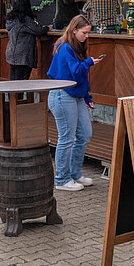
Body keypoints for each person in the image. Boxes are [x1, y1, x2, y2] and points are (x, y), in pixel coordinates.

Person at [46, 15, 101, 192]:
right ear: (75, 30)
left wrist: (87, 97)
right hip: (62, 95)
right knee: (66, 138)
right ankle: (62, 179)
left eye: (88, 33)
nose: (87, 36)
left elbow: (78, 76)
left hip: (74, 95)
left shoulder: (73, 46)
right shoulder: (65, 48)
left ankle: (74, 174)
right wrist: (89, 62)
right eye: (84, 32)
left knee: (84, 134)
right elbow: (75, 72)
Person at [5, 0, 49, 81]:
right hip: (22, 55)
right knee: (21, 83)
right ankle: (18, 95)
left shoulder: (11, 18)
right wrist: (47, 28)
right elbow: (38, 30)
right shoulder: (24, 20)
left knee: (13, 82)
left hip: (11, 52)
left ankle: (12, 95)